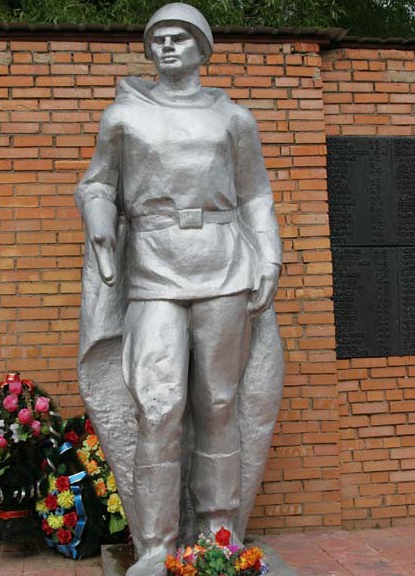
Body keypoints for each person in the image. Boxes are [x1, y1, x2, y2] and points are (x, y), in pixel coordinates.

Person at [75, 4, 284, 576]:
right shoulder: (123, 116)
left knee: (218, 403)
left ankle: (219, 533)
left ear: (202, 48)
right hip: (153, 269)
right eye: (159, 39)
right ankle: (155, 546)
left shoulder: (233, 120)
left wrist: (269, 253)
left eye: (180, 38)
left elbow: (255, 195)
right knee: (159, 406)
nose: (167, 46)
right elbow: (97, 184)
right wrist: (99, 218)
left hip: (224, 264)